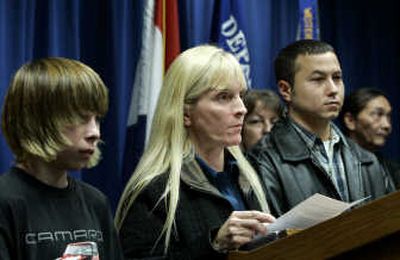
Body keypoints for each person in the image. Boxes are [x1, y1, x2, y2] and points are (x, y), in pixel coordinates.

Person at [115, 45, 275, 259]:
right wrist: (214, 244)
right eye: (224, 97)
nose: (241, 109)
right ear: (185, 113)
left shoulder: (250, 177)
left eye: (240, 96)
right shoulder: (153, 191)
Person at [247, 40, 395, 217]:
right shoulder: (263, 158)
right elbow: (267, 238)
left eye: (337, 78)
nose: (333, 89)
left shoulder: (367, 160)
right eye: (318, 79)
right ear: (286, 90)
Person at [0, 57, 123, 259]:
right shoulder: (6, 203)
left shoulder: (96, 202)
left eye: (96, 119)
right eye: (80, 118)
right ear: (37, 120)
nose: (95, 132)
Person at [340, 87, 400, 187]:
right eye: (377, 114)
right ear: (350, 120)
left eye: (388, 116)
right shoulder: (336, 168)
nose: (387, 125)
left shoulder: (394, 171)